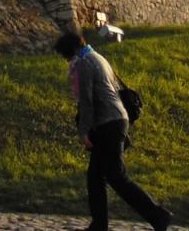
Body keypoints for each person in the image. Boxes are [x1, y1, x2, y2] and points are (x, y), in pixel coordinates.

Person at [54, 30, 172, 231]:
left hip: (108, 122)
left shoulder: (83, 63)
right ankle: (99, 224)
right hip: (114, 120)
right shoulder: (97, 57)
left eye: (66, 56)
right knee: (96, 176)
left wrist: (83, 132)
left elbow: (87, 101)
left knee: (117, 177)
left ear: (72, 50)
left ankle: (158, 215)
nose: (67, 61)